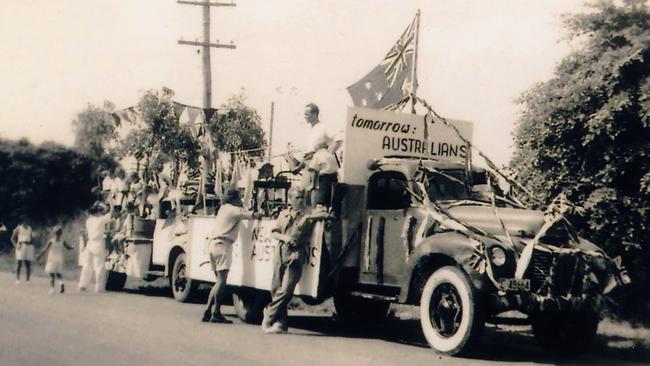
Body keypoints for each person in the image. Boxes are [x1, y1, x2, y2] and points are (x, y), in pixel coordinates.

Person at [261, 187, 330, 334]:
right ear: (290, 199)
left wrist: (309, 217)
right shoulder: (284, 214)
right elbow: (274, 231)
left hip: (296, 252)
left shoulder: (309, 212)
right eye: (297, 197)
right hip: (281, 250)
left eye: (302, 197)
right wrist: (284, 238)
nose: (301, 200)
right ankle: (281, 323)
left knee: (286, 290)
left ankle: (269, 313)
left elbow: (325, 214)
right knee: (276, 288)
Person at [202, 188, 262, 323]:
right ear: (235, 198)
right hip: (224, 245)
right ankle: (215, 312)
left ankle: (208, 310)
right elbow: (253, 215)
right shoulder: (234, 210)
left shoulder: (223, 208)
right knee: (222, 282)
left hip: (213, 244)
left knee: (218, 282)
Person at [78, 201, 111, 293]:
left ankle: (82, 284)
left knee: (87, 265)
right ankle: (99, 287)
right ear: (99, 212)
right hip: (98, 243)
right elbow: (110, 215)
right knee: (99, 266)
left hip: (90, 243)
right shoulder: (100, 220)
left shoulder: (89, 220)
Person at [37, 225, 74, 294]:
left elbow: (45, 249)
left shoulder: (51, 241)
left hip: (52, 258)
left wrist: (39, 255)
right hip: (59, 258)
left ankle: (52, 289)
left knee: (52, 274)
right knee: (58, 273)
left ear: (54, 233)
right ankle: (61, 283)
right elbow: (69, 248)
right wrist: (73, 247)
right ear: (61, 233)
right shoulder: (62, 241)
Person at [11, 217, 35, 285]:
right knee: (19, 263)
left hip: (29, 246)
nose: (26, 221)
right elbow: (12, 238)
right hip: (21, 246)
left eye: (27, 220)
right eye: (25, 220)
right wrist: (16, 246)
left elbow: (32, 239)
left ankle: (28, 280)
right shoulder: (18, 228)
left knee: (28, 264)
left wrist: (33, 244)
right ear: (22, 221)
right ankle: (17, 279)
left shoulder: (30, 228)